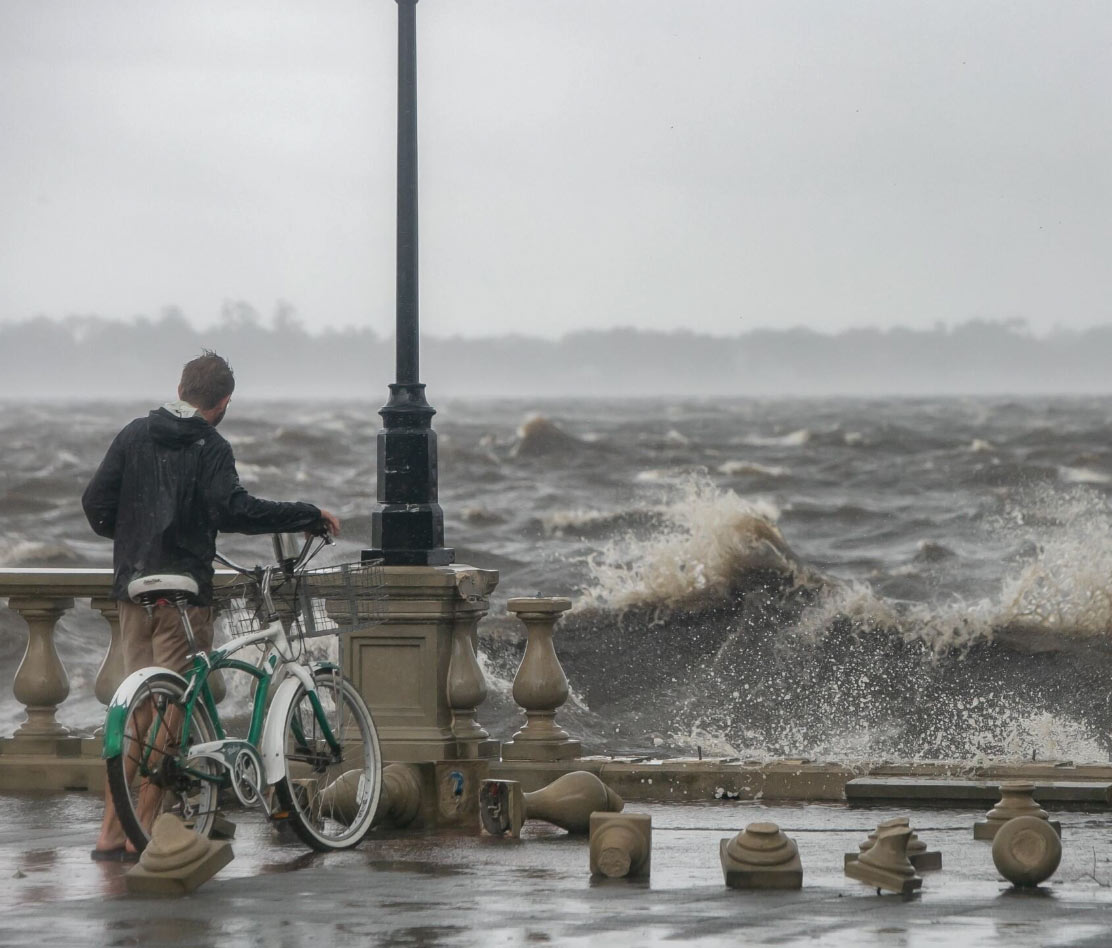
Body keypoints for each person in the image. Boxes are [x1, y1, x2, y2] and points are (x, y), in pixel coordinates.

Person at [83, 350, 341, 859]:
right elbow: (234, 509)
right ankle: (137, 829)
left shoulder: (133, 433)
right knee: (170, 710)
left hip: (134, 590)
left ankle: (113, 829)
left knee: (138, 711)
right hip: (183, 593)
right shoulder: (210, 444)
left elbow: (96, 504)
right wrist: (307, 514)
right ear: (223, 403)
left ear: (181, 389)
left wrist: (131, 537)